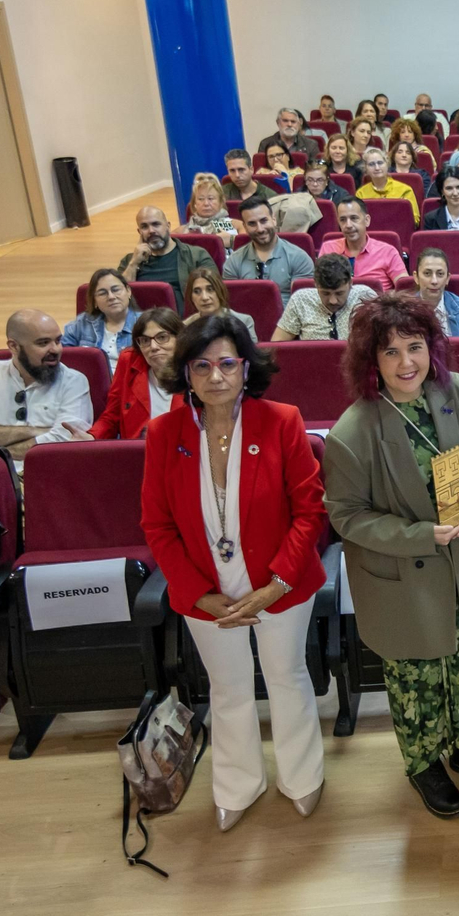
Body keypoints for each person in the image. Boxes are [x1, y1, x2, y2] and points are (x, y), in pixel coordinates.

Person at [321, 295, 459, 818]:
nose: (407, 363)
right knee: (419, 680)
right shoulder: (351, 432)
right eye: (391, 352)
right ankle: (425, 763)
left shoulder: (458, 391)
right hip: (406, 574)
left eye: (416, 347)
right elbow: (347, 517)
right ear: (371, 361)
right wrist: (424, 534)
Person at [140, 315, 326, 831]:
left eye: (227, 363)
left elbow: (310, 511)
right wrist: (198, 594)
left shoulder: (281, 421)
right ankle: (238, 785)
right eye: (201, 366)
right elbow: (156, 524)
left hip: (280, 584)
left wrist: (276, 585)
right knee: (227, 687)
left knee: (287, 677)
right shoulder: (164, 433)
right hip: (205, 591)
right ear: (186, 373)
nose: (215, 376)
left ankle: (302, 777)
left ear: (246, 367)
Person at [0, 309, 94, 459]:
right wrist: (34, 431)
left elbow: (65, 441)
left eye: (58, 340)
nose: (55, 349)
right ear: (14, 346)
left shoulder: (74, 381)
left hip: (50, 472)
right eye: (43, 343)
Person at [91, 308, 187, 439]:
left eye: (162, 337)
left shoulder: (195, 369)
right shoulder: (129, 361)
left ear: (180, 338)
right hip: (137, 453)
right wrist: (91, 437)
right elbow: (112, 416)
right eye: (145, 340)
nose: (153, 347)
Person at [222, 196, 316, 305]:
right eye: (252, 224)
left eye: (263, 221)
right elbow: (232, 303)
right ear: (245, 227)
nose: (260, 229)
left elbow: (302, 306)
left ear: (274, 220)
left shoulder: (299, 258)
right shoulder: (234, 261)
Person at [118, 205, 214, 310]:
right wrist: (134, 263)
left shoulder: (197, 255)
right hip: (144, 321)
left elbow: (215, 292)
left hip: (184, 320)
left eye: (156, 224)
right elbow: (120, 296)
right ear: (139, 232)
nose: (151, 230)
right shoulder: (129, 261)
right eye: (144, 227)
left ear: (168, 226)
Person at [272, 255, 378, 341]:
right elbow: (278, 345)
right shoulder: (300, 300)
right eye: (325, 293)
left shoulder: (365, 296)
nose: (333, 301)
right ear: (316, 285)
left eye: (339, 293)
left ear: (350, 283)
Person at [413, 248, 459, 361]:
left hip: (456, 372)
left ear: (447, 278)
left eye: (440, 274)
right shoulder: (403, 310)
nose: (434, 281)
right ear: (416, 277)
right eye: (427, 273)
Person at [316, 203, 409, 289]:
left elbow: (405, 290)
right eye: (343, 220)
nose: (348, 225)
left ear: (367, 220)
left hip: (377, 304)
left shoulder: (388, 251)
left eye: (354, 218)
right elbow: (319, 287)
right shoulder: (328, 248)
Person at [184, 266, 257, 336]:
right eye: (197, 291)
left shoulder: (244, 322)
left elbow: (249, 349)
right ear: (191, 297)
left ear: (220, 291)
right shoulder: (185, 327)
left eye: (210, 289)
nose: (204, 297)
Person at [355, 148, 423, 223]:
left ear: (387, 164)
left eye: (380, 163)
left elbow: (415, 220)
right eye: (371, 164)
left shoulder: (405, 190)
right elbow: (358, 221)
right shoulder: (361, 193)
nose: (377, 168)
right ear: (365, 169)